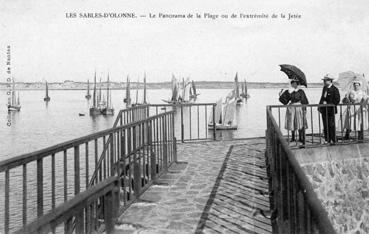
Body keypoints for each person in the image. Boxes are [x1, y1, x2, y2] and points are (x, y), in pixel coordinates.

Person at [279, 78, 309, 146]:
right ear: (291, 84)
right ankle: (293, 137)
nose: (294, 84)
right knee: (292, 122)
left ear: (297, 84)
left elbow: (304, 101)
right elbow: (284, 101)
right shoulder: (288, 91)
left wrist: (304, 109)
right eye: (293, 83)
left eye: (295, 83)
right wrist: (280, 95)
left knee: (300, 122)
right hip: (291, 108)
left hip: (299, 108)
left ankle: (301, 138)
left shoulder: (301, 91)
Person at [318, 74, 340, 144]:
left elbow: (337, 100)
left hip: (331, 110)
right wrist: (320, 106)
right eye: (324, 80)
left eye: (325, 80)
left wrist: (328, 103)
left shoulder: (335, 89)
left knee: (331, 125)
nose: (324, 82)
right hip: (324, 110)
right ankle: (327, 139)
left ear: (330, 81)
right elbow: (322, 97)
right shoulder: (324, 88)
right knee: (325, 125)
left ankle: (334, 139)